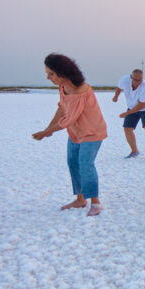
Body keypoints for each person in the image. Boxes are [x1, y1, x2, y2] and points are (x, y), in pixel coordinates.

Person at [32, 53, 108, 216]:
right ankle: (80, 199)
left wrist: (46, 133)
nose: (48, 77)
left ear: (63, 72)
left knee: (85, 163)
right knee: (73, 162)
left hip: (92, 131)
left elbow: (68, 119)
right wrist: (48, 128)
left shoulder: (79, 90)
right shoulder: (63, 87)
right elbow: (62, 108)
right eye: (47, 73)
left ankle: (96, 203)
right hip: (76, 131)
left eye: (51, 73)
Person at [113, 69, 145, 161]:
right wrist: (116, 96)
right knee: (127, 128)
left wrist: (126, 113)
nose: (138, 82)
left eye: (140, 80)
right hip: (132, 105)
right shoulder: (124, 80)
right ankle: (134, 151)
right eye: (136, 80)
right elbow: (119, 88)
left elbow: (142, 105)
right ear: (131, 77)